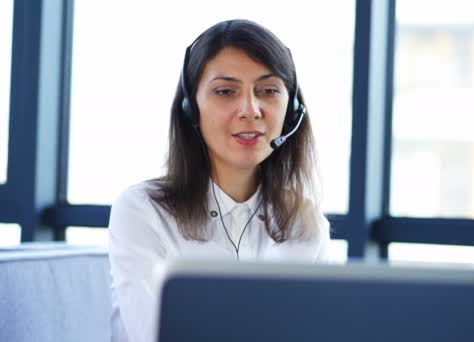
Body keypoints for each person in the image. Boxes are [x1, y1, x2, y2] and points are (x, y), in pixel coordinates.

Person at [107, 19, 331, 342]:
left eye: (268, 90)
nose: (250, 110)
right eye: (225, 91)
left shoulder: (305, 225)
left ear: (292, 111)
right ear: (190, 109)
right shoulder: (143, 212)